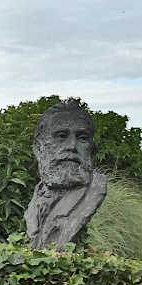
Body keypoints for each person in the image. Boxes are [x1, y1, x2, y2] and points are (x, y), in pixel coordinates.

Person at [24, 99, 108, 249]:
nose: (72, 146)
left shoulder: (96, 188)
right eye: (62, 136)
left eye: (82, 138)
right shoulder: (39, 193)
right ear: (38, 147)